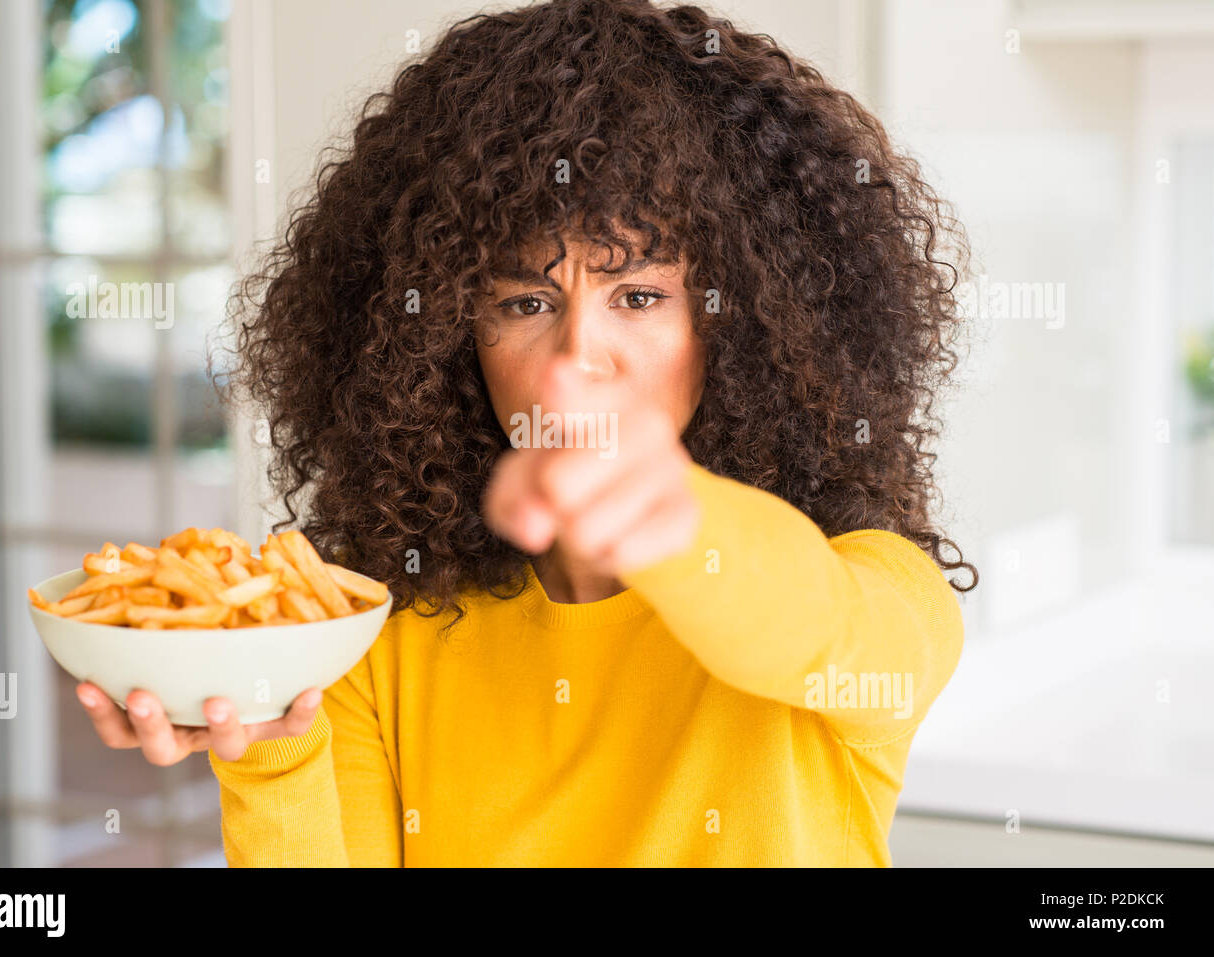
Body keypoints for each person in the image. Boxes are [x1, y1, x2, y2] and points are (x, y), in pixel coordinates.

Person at [76, 0, 977, 866]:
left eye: (640, 296)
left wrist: (673, 516)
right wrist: (269, 741)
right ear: (446, 338)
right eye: (525, 301)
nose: (579, 358)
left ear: (738, 325)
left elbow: (812, 629)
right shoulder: (363, 623)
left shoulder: (878, 588)